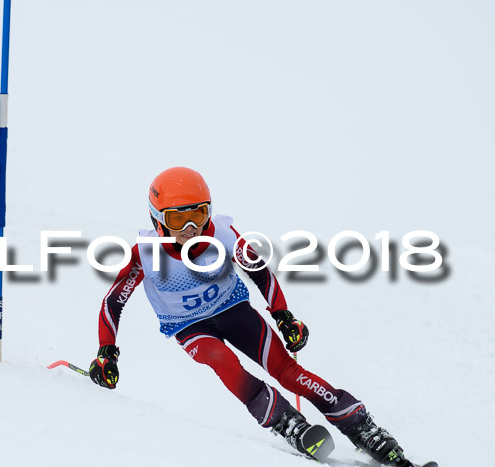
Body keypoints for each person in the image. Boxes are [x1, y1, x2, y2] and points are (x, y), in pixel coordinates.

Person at [89, 167, 420, 466]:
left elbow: (260, 272)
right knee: (222, 360)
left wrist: (283, 315)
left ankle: (364, 429)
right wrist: (107, 353)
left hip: (234, 311)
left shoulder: (223, 234)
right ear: (157, 219)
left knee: (289, 372)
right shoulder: (145, 255)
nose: (191, 228)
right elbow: (112, 303)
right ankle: (285, 421)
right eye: (178, 220)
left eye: (199, 214)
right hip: (189, 327)